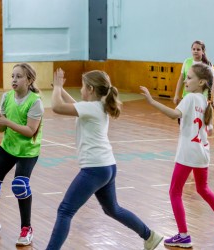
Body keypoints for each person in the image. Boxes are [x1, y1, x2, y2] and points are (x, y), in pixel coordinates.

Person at [46, 68, 163, 250]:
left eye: (83, 87)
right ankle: (150, 236)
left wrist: (58, 87)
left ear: (91, 89)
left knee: (65, 211)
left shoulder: (91, 108)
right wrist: (60, 90)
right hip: (107, 166)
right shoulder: (98, 106)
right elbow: (76, 104)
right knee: (112, 209)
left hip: (95, 169)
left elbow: (56, 107)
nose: (81, 90)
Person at [140, 63, 214, 248]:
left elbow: (173, 114)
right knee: (203, 189)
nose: (185, 80)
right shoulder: (204, 100)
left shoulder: (190, 98)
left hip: (188, 153)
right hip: (203, 152)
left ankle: (183, 235)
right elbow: (208, 129)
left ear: (201, 82)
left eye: (190, 77)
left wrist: (152, 102)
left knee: (174, 192)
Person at [0, 63, 44, 246]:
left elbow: (30, 131)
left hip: (27, 151)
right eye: (12, 76)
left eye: (19, 76)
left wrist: (7, 122)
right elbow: (3, 127)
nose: (14, 80)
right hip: (8, 147)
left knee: (20, 186)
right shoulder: (6, 97)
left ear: (29, 80)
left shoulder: (35, 102)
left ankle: (27, 229)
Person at [173, 40, 214, 108]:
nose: (195, 51)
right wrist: (176, 94)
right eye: (193, 49)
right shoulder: (187, 62)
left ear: (203, 51)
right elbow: (181, 79)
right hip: (186, 97)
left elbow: (212, 83)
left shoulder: (208, 65)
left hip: (201, 99)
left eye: (198, 49)